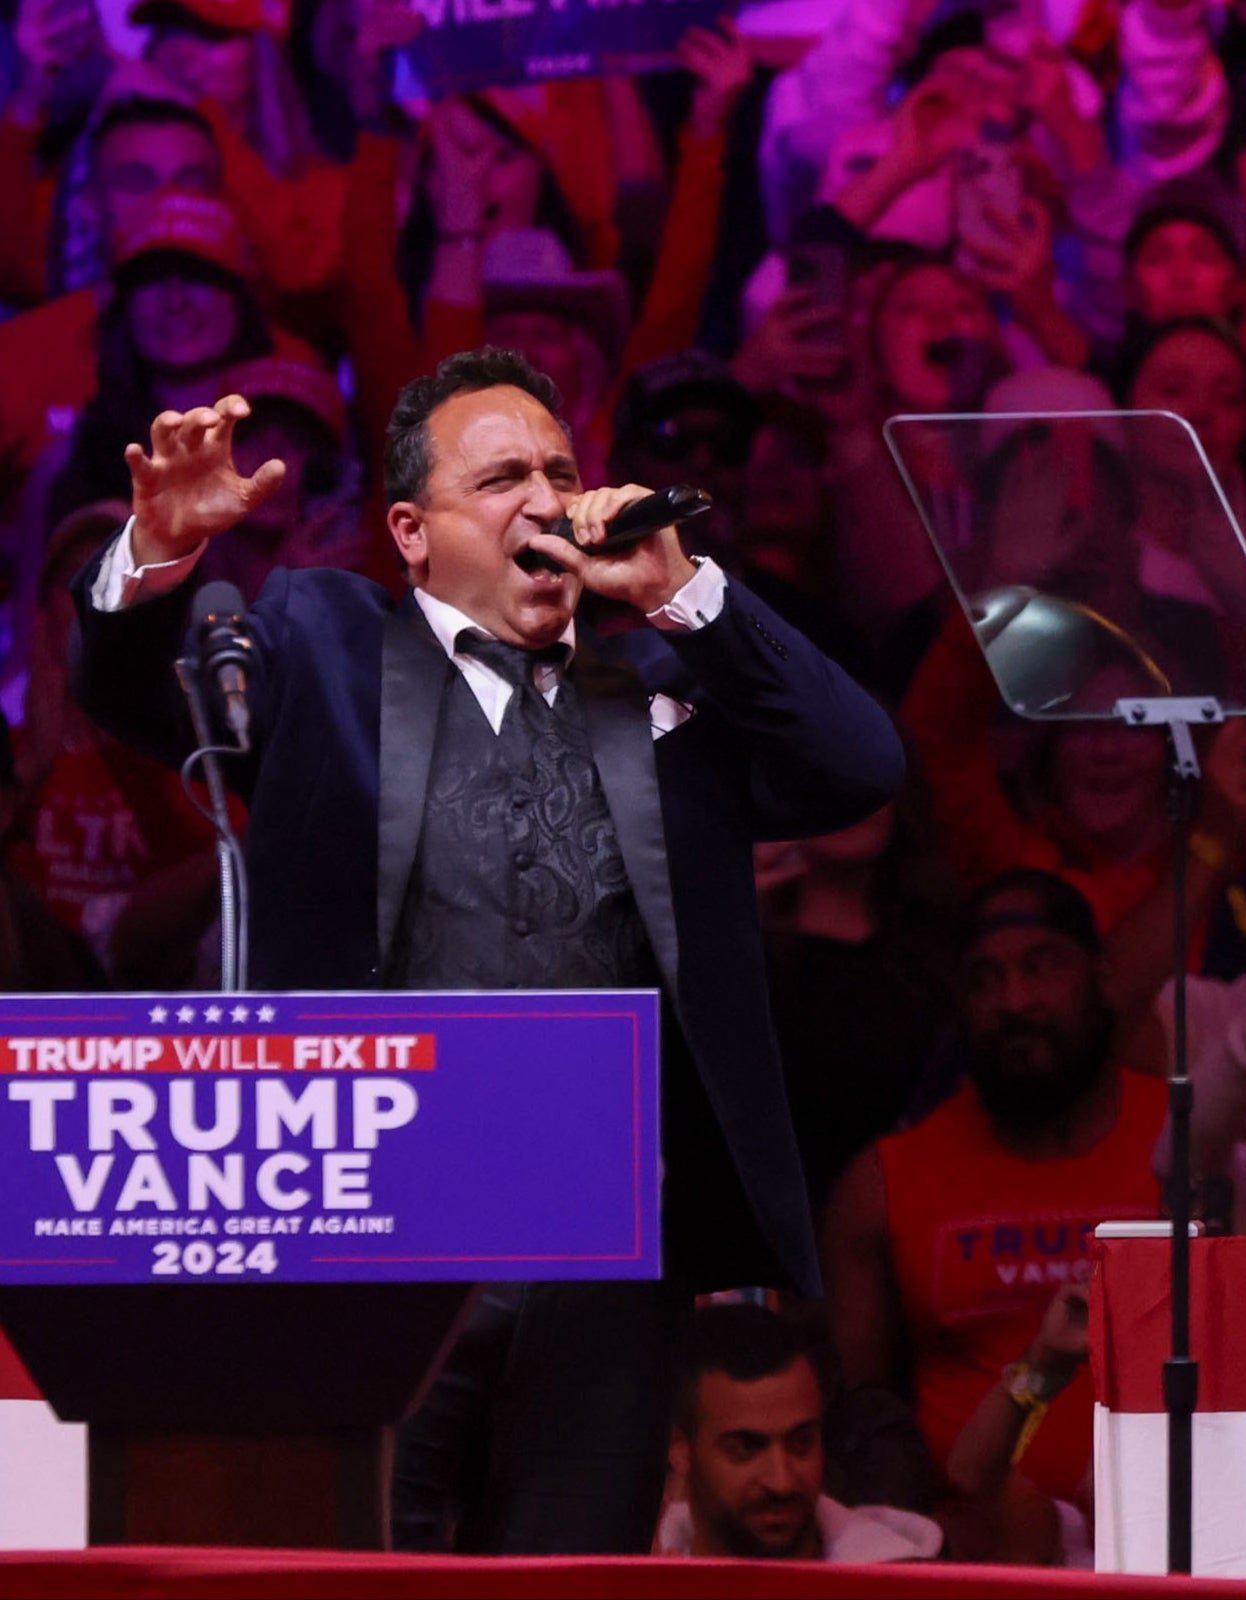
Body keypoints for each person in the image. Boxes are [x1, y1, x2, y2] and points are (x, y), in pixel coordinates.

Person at [70, 347, 905, 1553]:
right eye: (503, 474)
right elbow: (140, 701)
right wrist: (155, 563)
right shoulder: (325, 643)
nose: (546, 496)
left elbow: (860, 767)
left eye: (561, 470)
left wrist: (684, 594)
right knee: (369, 1574)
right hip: (374, 1249)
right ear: (412, 531)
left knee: (570, 1583)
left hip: (607, 1258)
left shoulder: (666, 690)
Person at [819, 869, 1168, 1553]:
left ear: (1100, 976)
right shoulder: (882, 1182)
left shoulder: (1187, 1147)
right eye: (984, 979)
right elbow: (863, 1423)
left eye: (1041, 968)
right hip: (974, 1557)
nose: (1014, 1000)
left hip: (1171, 1541)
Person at [660, 1302, 943, 1563]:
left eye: (801, 1442)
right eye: (746, 1449)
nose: (782, 1482)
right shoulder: (632, 1573)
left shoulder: (900, 1585)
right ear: (680, 1449)